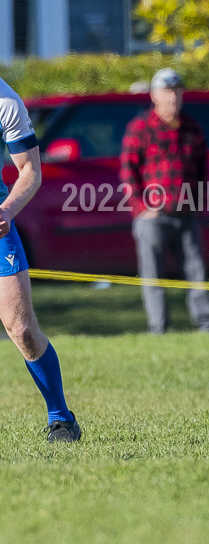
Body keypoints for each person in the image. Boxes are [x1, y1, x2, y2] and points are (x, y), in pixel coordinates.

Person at [0, 77, 81, 442]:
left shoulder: (6, 101)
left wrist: (7, 210)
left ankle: (61, 419)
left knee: (21, 328)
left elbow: (30, 170)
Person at [120, 68, 209, 335]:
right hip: (153, 216)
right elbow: (128, 173)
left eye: (176, 91)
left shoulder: (192, 128)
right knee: (153, 275)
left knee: (196, 272)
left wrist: (197, 205)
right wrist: (142, 209)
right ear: (154, 96)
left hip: (186, 214)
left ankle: (207, 324)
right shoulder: (139, 128)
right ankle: (159, 328)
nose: (172, 98)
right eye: (166, 92)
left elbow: (201, 170)